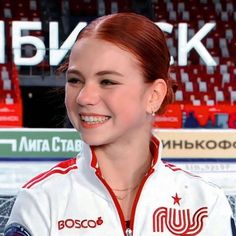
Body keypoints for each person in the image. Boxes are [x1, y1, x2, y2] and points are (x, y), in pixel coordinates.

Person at [4, 12, 235, 236]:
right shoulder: (39, 201)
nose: (84, 97)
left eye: (107, 81)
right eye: (75, 80)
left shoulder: (205, 204)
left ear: (154, 95)